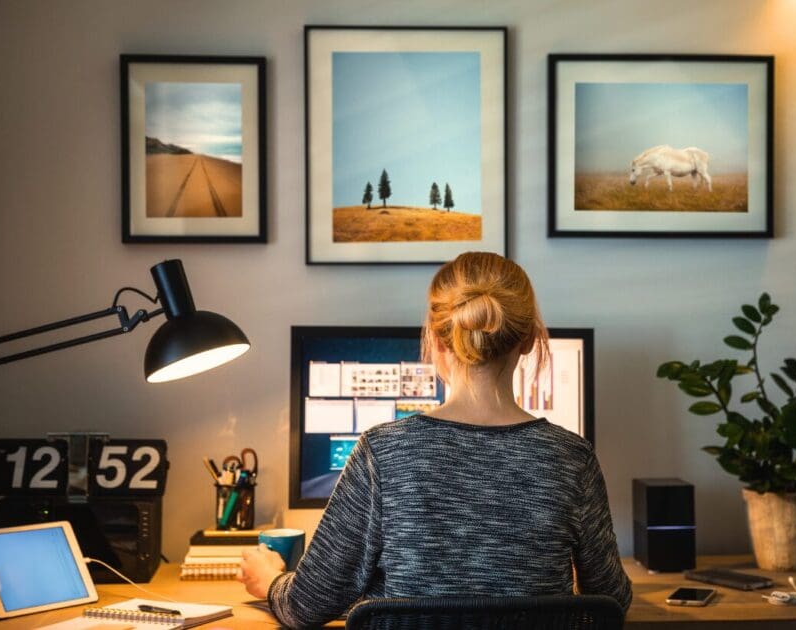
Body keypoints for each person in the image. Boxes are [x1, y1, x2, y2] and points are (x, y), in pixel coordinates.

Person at [239, 251, 632, 628]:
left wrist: (271, 580)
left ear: (438, 340)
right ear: (529, 339)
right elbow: (612, 599)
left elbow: (307, 606)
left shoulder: (382, 451)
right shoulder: (571, 457)